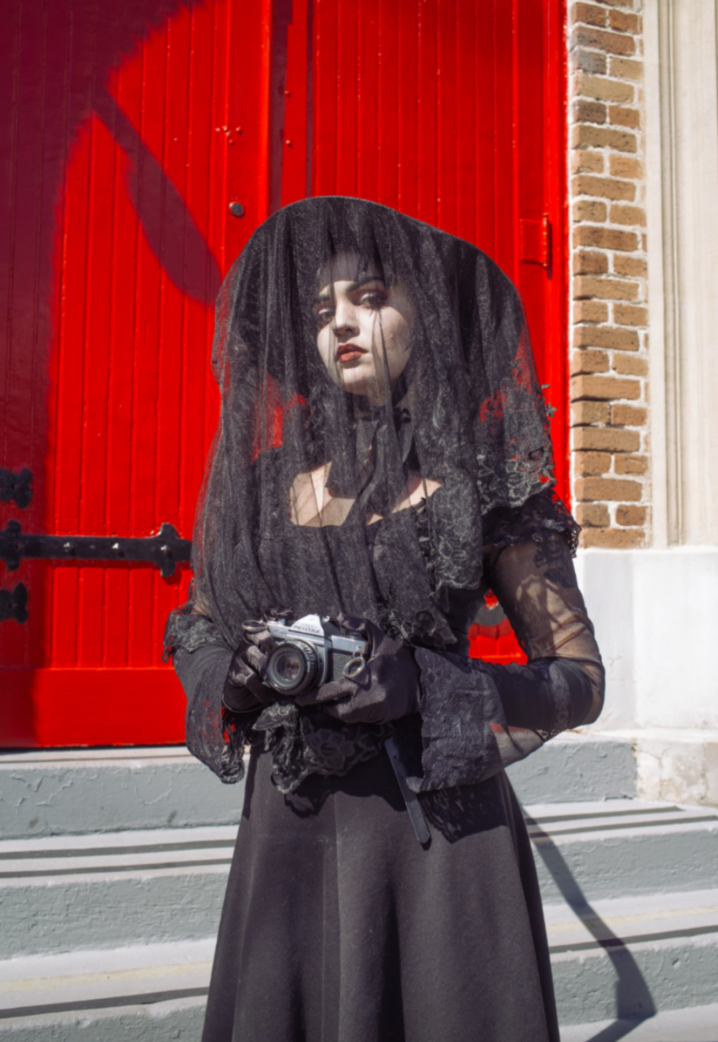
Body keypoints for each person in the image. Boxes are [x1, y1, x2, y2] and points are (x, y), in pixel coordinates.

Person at [164, 196, 604, 1042]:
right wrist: (239, 676)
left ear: (427, 315)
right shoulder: (265, 485)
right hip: (287, 836)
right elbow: (197, 626)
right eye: (323, 310)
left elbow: (579, 680)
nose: (342, 325)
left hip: (436, 846)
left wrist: (424, 685)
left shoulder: (484, 486)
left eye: (369, 296)